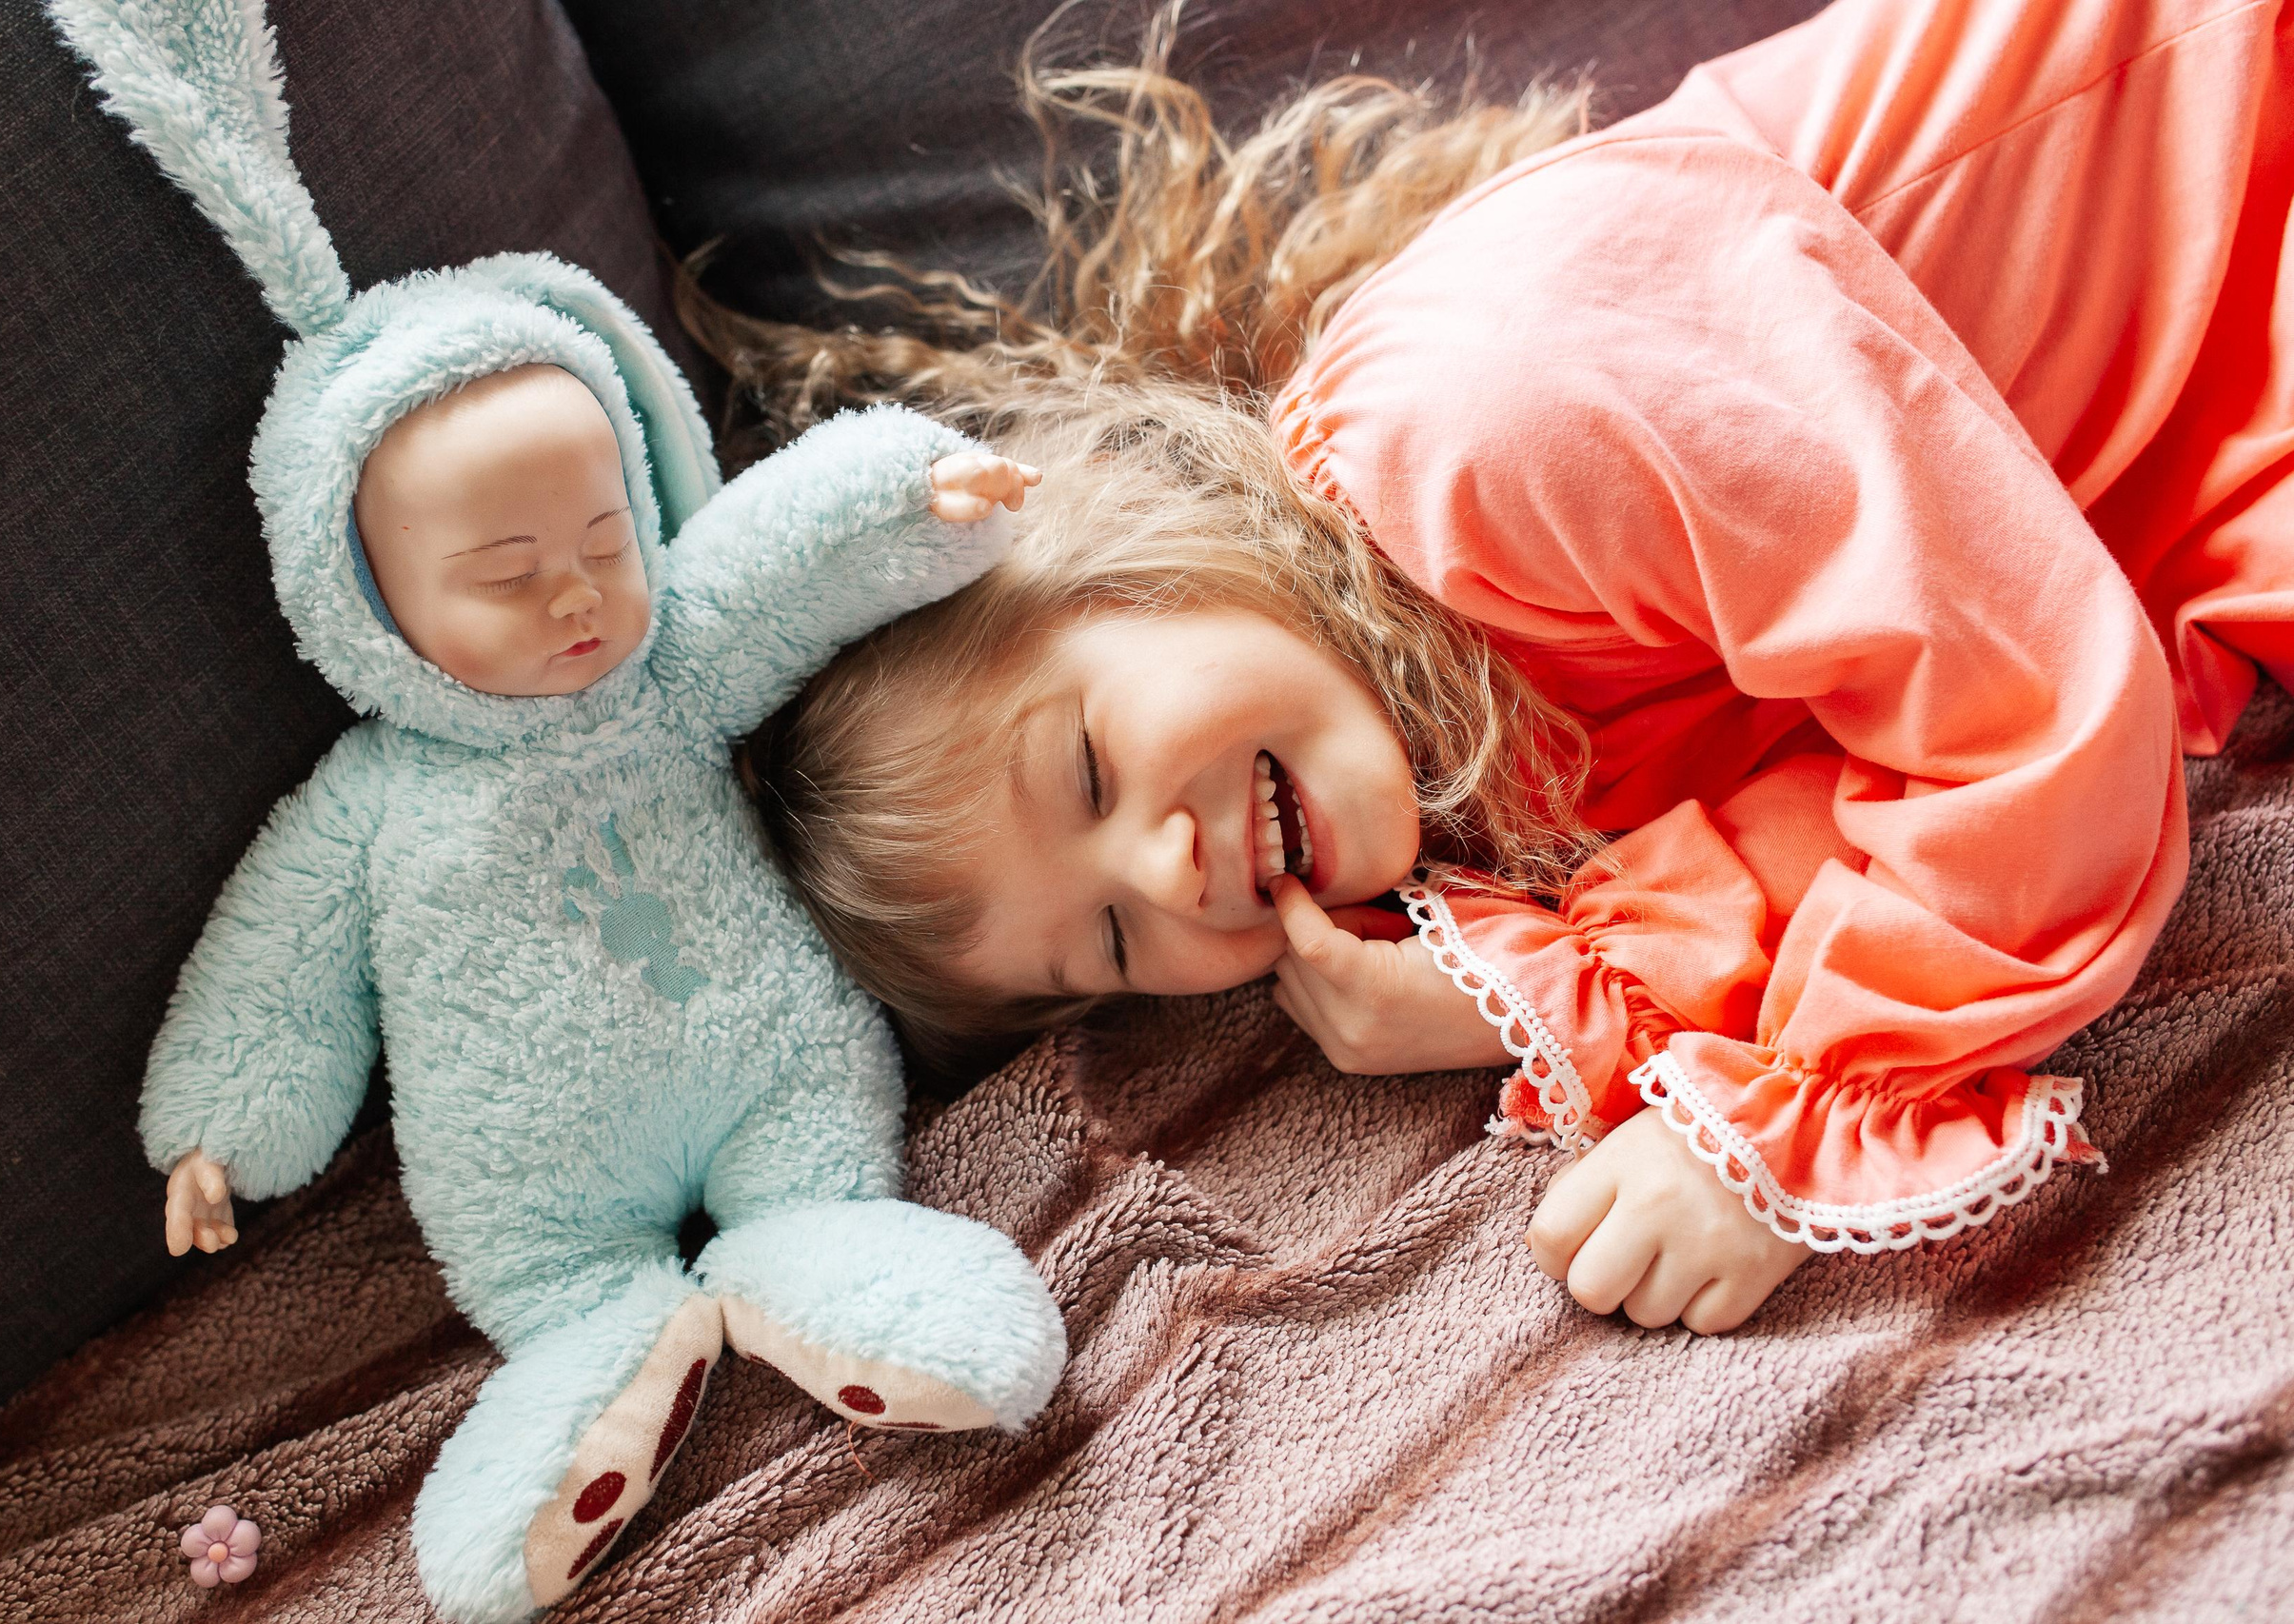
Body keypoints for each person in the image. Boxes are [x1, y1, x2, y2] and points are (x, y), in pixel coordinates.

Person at [702, 0, 2293, 1334]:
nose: (1170, 871)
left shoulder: (1479, 425)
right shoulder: (1460, 755)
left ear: (1126, 556)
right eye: (1113, 938)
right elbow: (1845, 796)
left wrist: (1784, 1120)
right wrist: (1535, 994)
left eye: (1090, 769)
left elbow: (2020, 697)